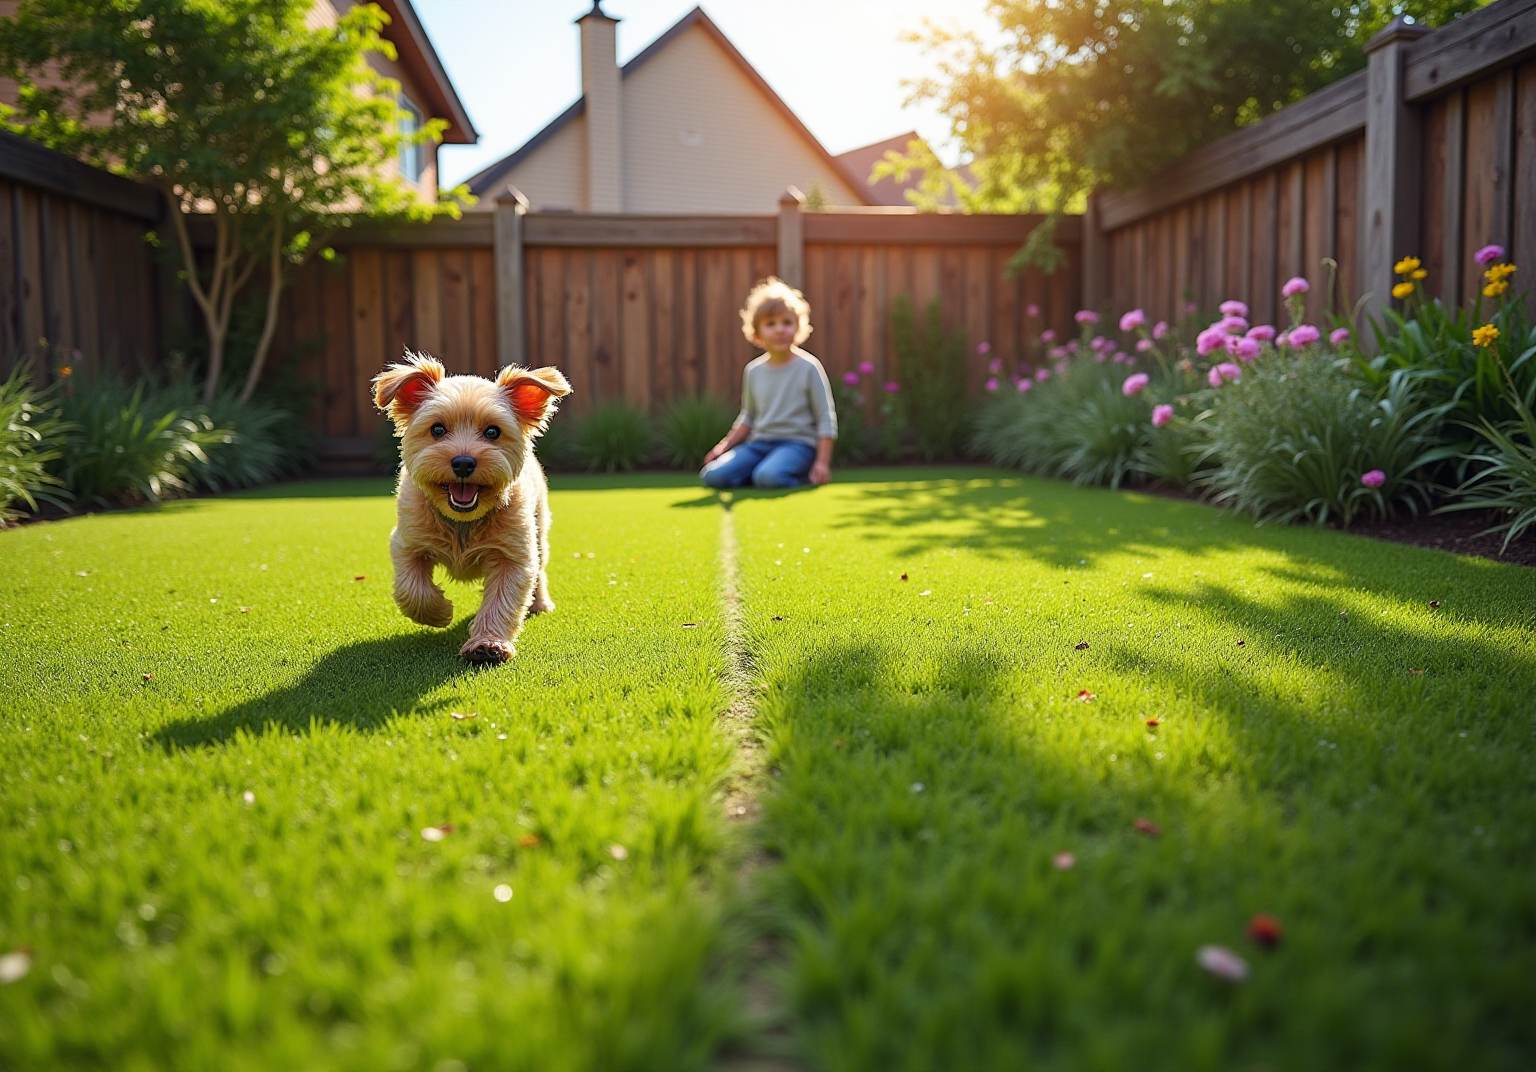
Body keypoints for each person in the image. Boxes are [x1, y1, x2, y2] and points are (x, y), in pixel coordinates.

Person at [701, 277, 836, 489]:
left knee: (768, 478)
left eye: (787, 323)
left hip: (798, 446)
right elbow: (748, 416)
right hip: (758, 445)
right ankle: (758, 472)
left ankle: (776, 474)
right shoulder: (753, 371)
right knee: (712, 476)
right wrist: (723, 447)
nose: (780, 330)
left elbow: (824, 417)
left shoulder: (809, 367)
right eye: (771, 324)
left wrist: (822, 462)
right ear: (757, 332)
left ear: (798, 327)